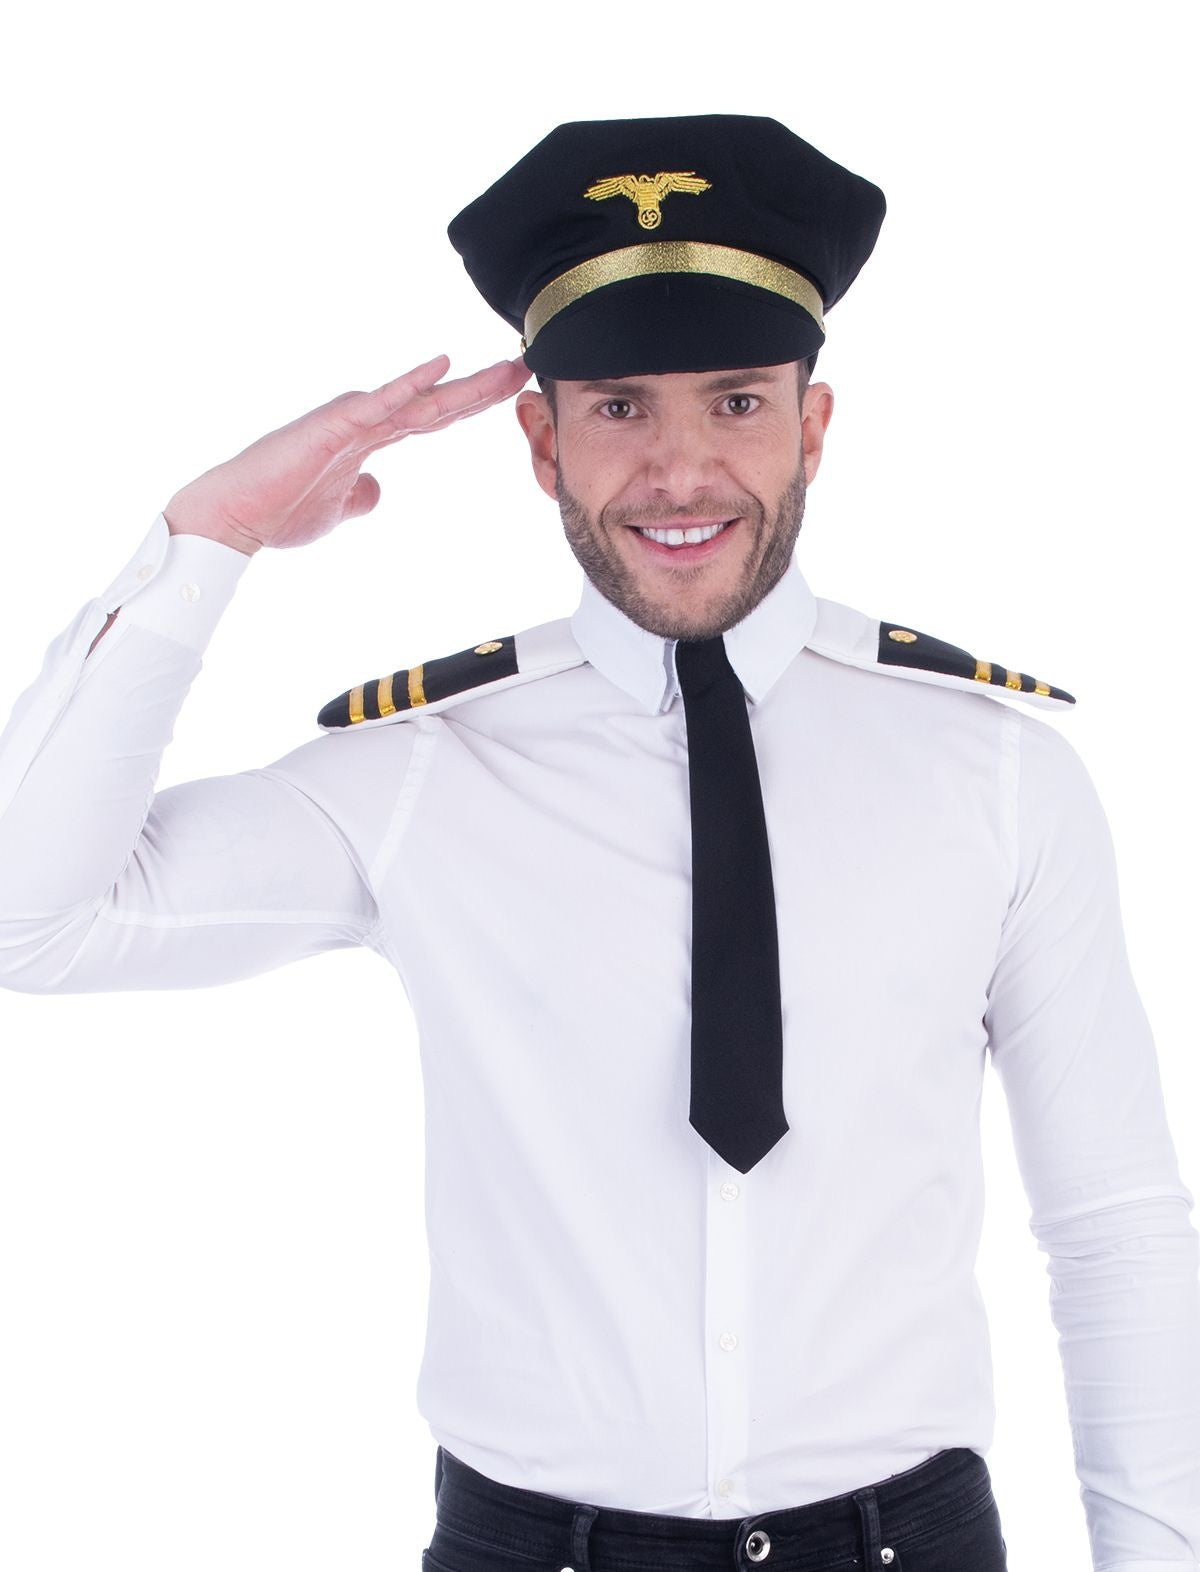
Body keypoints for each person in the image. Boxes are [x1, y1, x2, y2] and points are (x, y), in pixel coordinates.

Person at [1, 112, 1197, 1572]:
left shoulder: (998, 771)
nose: (680, 472)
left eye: (737, 402)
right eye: (620, 406)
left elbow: (1117, 1224)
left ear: (814, 425)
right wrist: (209, 539)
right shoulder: (424, 770)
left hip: (905, 1542)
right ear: (541, 438)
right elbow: (32, 921)